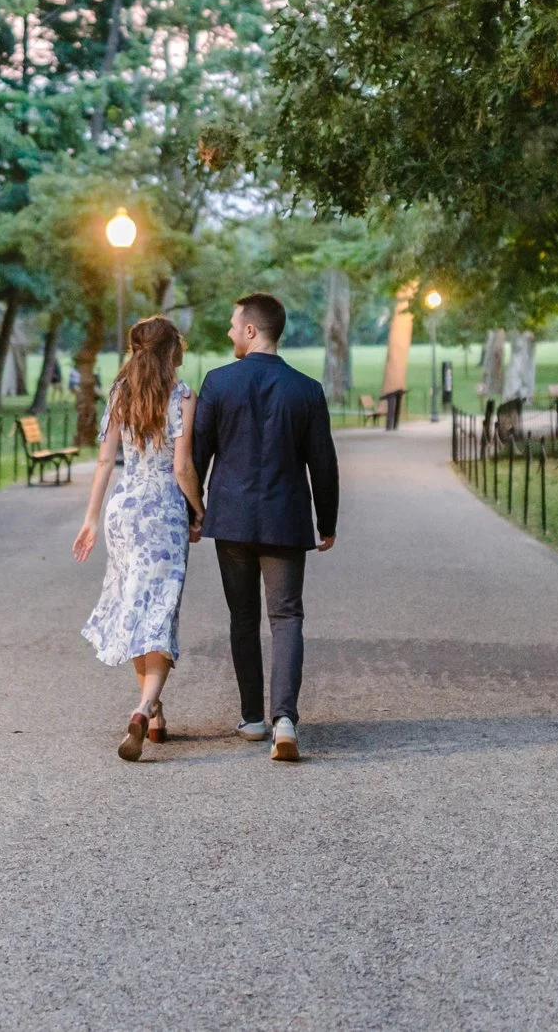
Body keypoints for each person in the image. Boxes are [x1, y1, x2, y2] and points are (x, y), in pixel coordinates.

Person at [192, 292, 340, 762]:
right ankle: (285, 720)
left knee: (243, 617)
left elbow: (198, 457)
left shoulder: (218, 383)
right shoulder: (306, 389)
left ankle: (253, 717)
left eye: (235, 325)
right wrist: (327, 521)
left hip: (231, 520)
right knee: (287, 616)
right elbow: (324, 463)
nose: (231, 332)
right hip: (285, 518)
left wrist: (194, 513)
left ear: (252, 330)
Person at [73, 317, 202, 762]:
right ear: (172, 351)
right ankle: (143, 706)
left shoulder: (119, 394)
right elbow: (182, 469)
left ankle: (157, 713)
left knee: (135, 604)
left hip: (123, 511)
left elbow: (106, 462)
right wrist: (199, 511)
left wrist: (91, 518)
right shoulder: (183, 397)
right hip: (163, 511)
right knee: (160, 608)